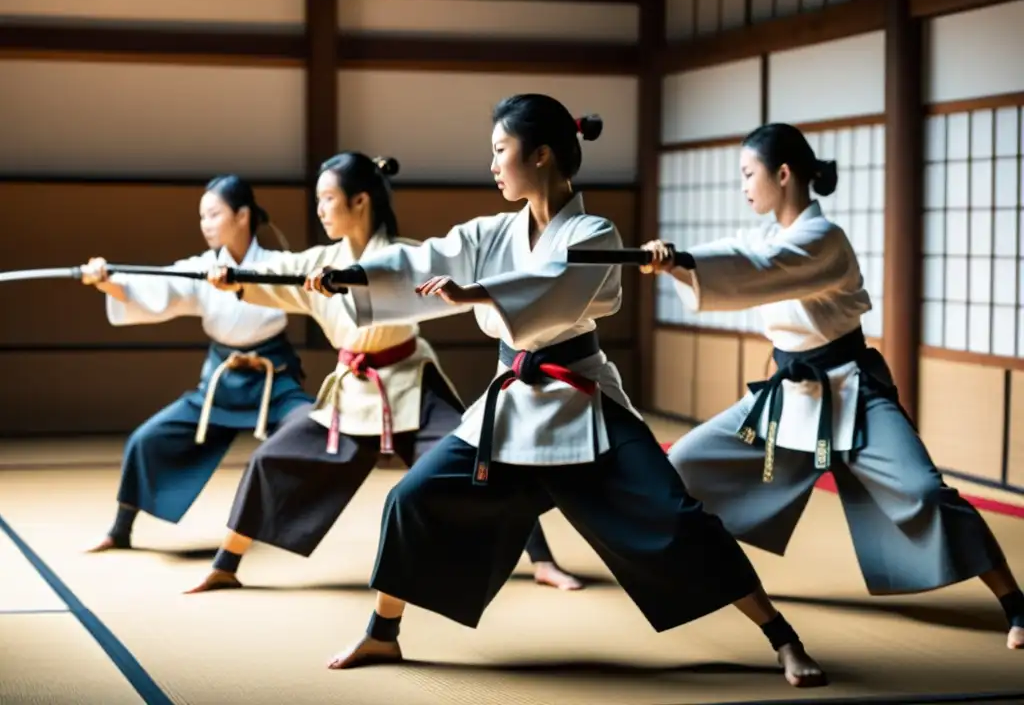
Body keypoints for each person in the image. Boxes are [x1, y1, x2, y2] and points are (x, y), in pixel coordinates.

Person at [301, 96, 827, 688]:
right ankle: (383, 632)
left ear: (543, 153)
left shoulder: (594, 230)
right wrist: (355, 278)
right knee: (411, 500)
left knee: (680, 521)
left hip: (583, 404)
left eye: (501, 151)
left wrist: (480, 295)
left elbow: (559, 285)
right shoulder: (490, 231)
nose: (493, 165)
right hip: (511, 406)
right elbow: (423, 258)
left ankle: (782, 637)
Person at [643, 122, 1024, 652]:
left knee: (924, 492)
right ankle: (722, 581)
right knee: (681, 464)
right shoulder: (766, 236)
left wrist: (684, 263)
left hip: (851, 389)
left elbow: (760, 269)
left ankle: (1014, 601)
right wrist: (673, 262)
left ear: (783, 174)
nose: (744, 186)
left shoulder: (823, 239)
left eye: (749, 174)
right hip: (788, 394)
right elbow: (737, 254)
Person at [196, 152, 580, 593]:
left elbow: (449, 276)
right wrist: (236, 278)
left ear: (360, 201)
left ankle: (543, 561)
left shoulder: (405, 258)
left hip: (410, 383)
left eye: (327, 199)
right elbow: (276, 272)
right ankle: (226, 563)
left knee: (480, 461)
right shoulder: (318, 261)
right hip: (352, 390)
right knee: (272, 458)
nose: (319, 210)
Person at [81, 175, 314, 553]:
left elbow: (306, 289)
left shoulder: (278, 265)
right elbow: (157, 290)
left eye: (213, 214)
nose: (205, 224)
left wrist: (241, 282)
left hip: (274, 381)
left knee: (310, 427)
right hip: (220, 385)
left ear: (242, 216)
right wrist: (107, 281)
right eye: (201, 217)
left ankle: (278, 524)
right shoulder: (200, 268)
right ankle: (121, 529)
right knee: (147, 439)